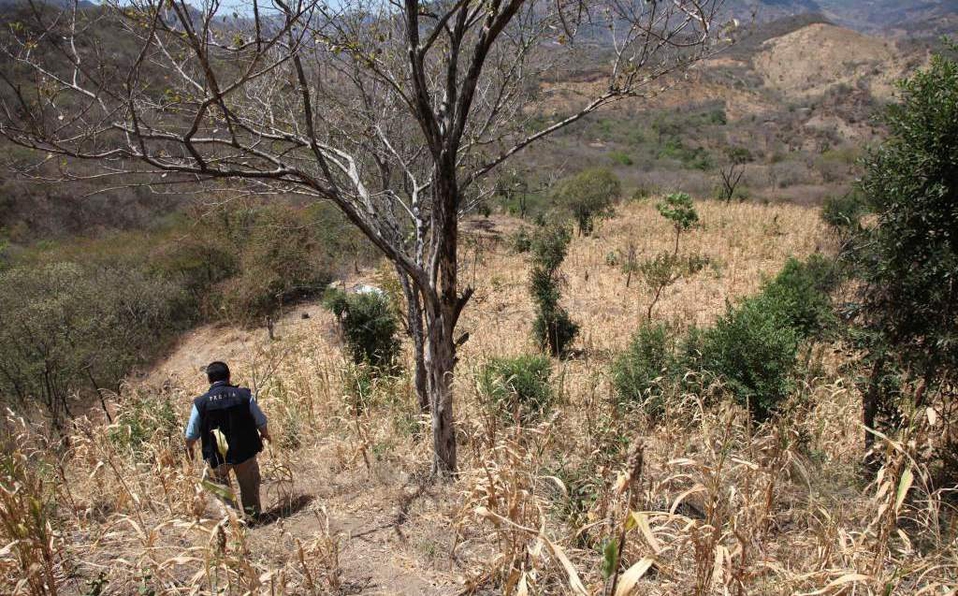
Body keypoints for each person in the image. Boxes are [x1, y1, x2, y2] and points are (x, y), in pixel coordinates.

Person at [185, 361, 271, 518]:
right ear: (229, 376)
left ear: (209, 380)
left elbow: (191, 435)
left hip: (216, 457)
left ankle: (233, 520)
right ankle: (253, 516)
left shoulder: (201, 403)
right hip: (244, 451)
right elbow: (260, 420)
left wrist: (189, 449)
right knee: (248, 484)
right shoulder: (244, 395)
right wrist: (265, 434)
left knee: (220, 487)